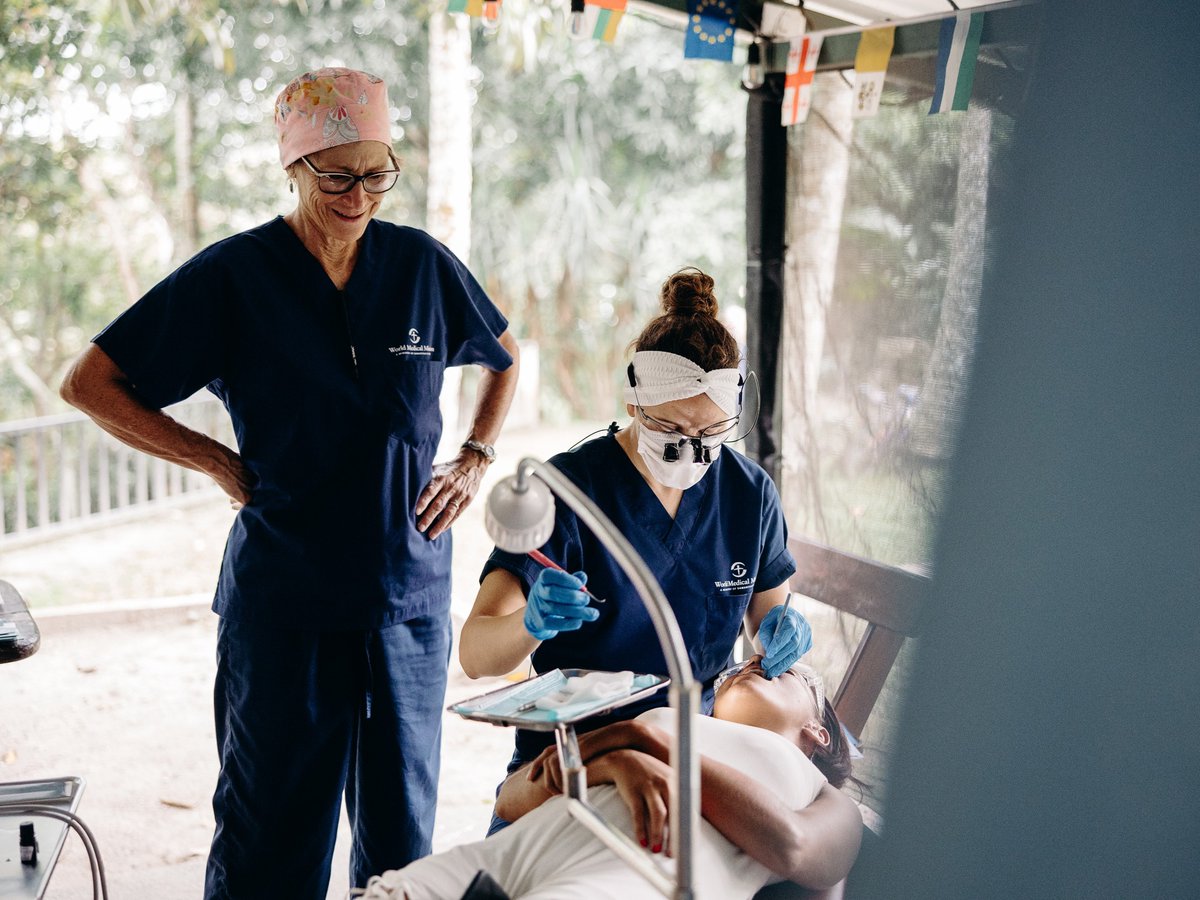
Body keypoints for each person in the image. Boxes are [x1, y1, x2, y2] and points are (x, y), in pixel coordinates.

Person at [58, 67, 520, 899]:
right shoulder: (235, 276)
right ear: (293, 167)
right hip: (286, 608)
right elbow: (89, 383)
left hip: (405, 607)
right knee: (271, 841)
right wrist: (213, 459)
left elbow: (502, 356)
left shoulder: (418, 265)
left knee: (402, 850)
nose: (358, 193)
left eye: (375, 173)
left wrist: (476, 455)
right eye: (335, 174)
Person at [459, 268, 808, 830]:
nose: (691, 452)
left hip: (692, 753)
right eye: (670, 428)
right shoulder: (566, 491)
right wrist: (531, 621)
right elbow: (476, 656)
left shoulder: (748, 494)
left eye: (712, 435)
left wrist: (781, 636)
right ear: (635, 399)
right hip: (568, 761)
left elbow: (770, 628)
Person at [360, 654, 863, 899]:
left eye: (786, 671)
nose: (755, 661)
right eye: (742, 666)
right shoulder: (675, 720)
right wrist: (616, 761)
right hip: (514, 854)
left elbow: (794, 848)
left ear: (817, 731)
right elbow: (511, 801)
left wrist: (648, 745)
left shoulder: (821, 793)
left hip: (628, 882)